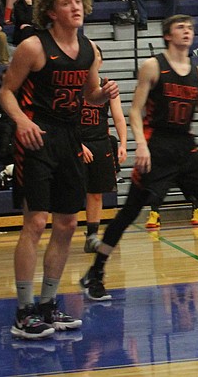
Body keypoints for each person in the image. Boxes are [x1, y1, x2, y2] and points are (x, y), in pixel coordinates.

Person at [81, 15, 198, 302]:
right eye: (180, 27)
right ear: (167, 35)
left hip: (185, 147)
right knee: (129, 212)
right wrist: (140, 144)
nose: (187, 31)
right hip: (157, 145)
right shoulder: (153, 66)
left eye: (190, 27)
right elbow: (135, 111)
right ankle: (96, 271)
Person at [0, 0, 117, 339]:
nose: (76, 7)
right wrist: (21, 122)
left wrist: (104, 94)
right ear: (51, 11)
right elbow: (5, 93)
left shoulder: (89, 49)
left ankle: (48, 305)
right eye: (67, 3)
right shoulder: (33, 47)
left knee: (66, 224)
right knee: (35, 223)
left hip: (69, 137)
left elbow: (89, 96)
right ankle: (23, 311)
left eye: (78, 1)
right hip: (37, 135)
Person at [78, 63, 128, 254]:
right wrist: (78, 145)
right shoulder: (75, 88)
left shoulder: (107, 86)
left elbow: (118, 118)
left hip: (100, 143)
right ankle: (63, 235)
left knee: (96, 193)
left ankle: (91, 236)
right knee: (73, 194)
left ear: (99, 62)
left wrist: (123, 144)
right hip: (76, 143)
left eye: (96, 57)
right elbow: (66, 121)